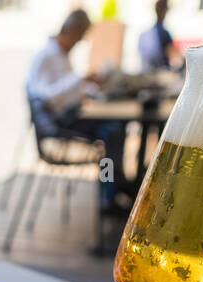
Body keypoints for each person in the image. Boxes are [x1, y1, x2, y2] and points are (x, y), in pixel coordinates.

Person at [25, 8, 130, 213]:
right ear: (71, 30)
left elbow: (68, 92)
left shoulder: (61, 55)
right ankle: (110, 193)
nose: (79, 42)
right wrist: (80, 79)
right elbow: (48, 97)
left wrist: (90, 87)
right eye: (80, 37)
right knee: (111, 133)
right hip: (58, 125)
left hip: (71, 117)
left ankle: (117, 185)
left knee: (114, 128)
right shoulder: (45, 56)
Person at [138, 0, 178, 72]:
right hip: (160, 72)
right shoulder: (163, 33)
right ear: (165, 11)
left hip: (146, 71)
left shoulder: (145, 34)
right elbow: (175, 55)